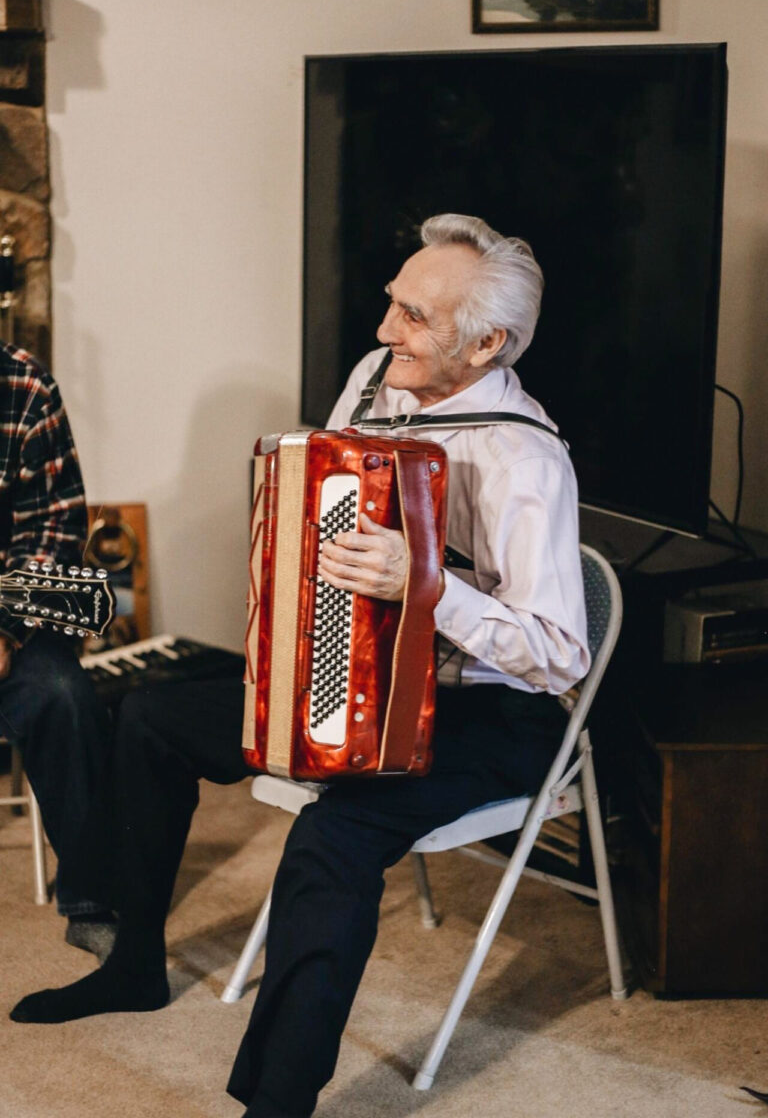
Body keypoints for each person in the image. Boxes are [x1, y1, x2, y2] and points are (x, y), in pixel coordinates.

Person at [10, 214, 589, 1118]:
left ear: (487, 344)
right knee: (150, 718)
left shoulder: (525, 462)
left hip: (490, 712)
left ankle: (277, 1103)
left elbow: (559, 654)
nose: (383, 331)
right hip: (354, 667)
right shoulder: (376, 382)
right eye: (391, 304)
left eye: (413, 318)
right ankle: (131, 966)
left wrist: (427, 585)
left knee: (333, 839)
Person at [0, 340, 115, 957]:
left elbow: (55, 529)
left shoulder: (25, 388)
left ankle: (90, 897)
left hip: (6, 606)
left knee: (64, 696)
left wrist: (6, 628)